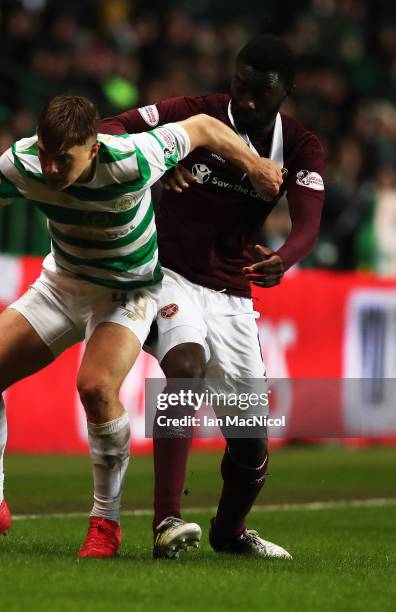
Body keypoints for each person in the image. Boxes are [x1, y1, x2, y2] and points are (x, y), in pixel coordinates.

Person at [0, 95, 282, 558]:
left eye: (63, 159)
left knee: (97, 387)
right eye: (45, 152)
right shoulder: (24, 162)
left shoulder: (136, 156)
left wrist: (254, 164)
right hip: (63, 283)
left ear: (94, 150)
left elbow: (204, 125)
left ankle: (106, 523)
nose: (50, 168)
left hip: (126, 292)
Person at [101, 35, 325, 560]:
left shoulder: (298, 146)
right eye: (240, 86)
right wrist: (153, 158)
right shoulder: (194, 114)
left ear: (285, 92)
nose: (246, 101)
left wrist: (285, 258)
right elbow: (110, 129)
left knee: (251, 444)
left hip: (233, 293)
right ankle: (166, 524)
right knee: (185, 363)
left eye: (260, 94)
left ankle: (229, 533)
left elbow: (309, 224)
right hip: (168, 275)